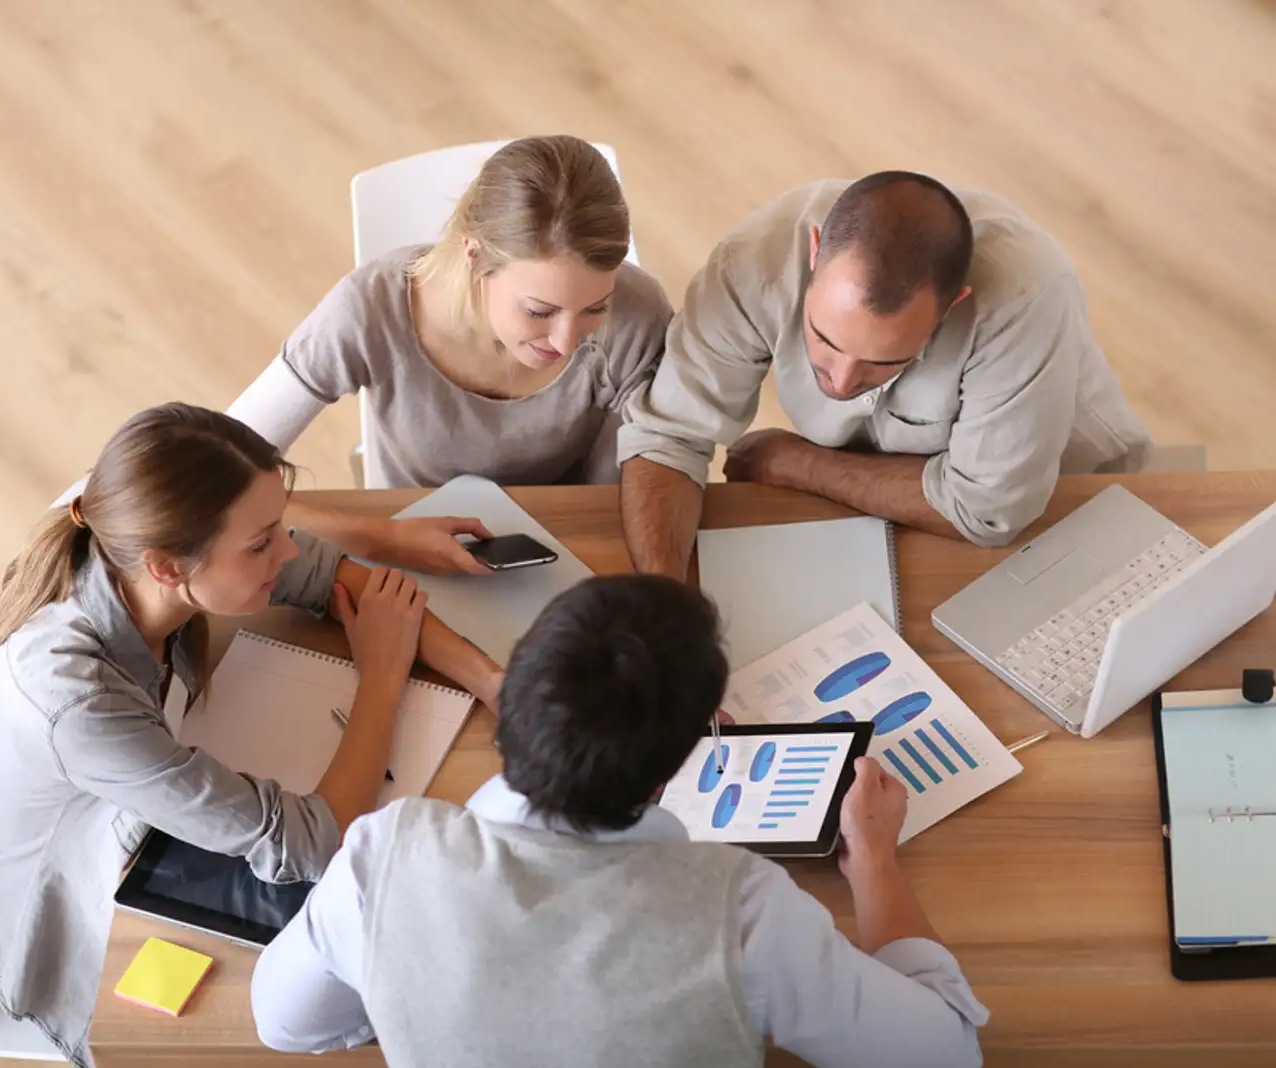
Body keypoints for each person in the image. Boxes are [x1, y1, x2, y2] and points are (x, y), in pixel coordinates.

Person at [251, 574, 987, 1068]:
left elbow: (284, 1023)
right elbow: (948, 1050)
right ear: (677, 758)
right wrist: (873, 860)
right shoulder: (745, 914)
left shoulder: (381, 859)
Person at [0, 404, 501, 1067]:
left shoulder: (125, 530)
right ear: (166, 567)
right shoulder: (76, 701)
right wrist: (381, 675)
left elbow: (334, 576)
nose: (290, 549)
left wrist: (492, 681)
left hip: (137, 808)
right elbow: (313, 842)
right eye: (261, 543)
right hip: (71, 911)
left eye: (279, 527)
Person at [619, 171, 1153, 578]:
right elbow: (668, 435)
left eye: (885, 360)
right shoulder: (751, 263)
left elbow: (989, 513)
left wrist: (795, 461)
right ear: (812, 254)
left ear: (953, 306)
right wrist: (664, 607)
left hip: (1062, 500)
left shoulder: (1025, 298)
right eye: (824, 338)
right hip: (893, 501)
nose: (843, 383)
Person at [227, 134, 673, 489]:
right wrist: (370, 533)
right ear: (475, 256)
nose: (567, 341)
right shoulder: (371, 309)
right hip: (410, 532)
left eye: (595, 308)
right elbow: (221, 458)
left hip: (568, 536)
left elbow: (625, 489)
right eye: (540, 312)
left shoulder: (638, 316)